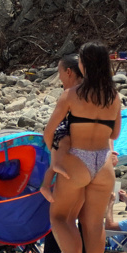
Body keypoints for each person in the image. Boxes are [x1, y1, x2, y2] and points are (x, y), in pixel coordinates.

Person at [42, 41, 122, 253]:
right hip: (103, 162)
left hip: (78, 158)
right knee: (95, 224)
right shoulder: (114, 97)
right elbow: (115, 134)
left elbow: (49, 131)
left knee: (60, 216)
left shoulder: (71, 95)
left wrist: (56, 154)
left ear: (85, 64)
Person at [39, 54, 84, 202]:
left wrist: (53, 151)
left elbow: (48, 132)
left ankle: (52, 171)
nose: (59, 77)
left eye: (60, 73)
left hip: (63, 138)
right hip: (87, 152)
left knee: (61, 143)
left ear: (68, 72)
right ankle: (53, 170)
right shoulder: (93, 92)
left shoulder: (69, 95)